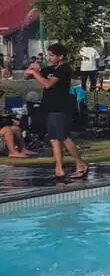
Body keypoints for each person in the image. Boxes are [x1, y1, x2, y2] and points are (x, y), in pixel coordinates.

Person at [25, 43, 86, 179]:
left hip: (61, 107)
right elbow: (26, 76)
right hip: (49, 107)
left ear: (60, 56)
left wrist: (34, 73)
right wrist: (31, 68)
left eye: (52, 56)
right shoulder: (50, 69)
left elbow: (48, 84)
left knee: (63, 136)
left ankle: (80, 163)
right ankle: (59, 168)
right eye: (49, 55)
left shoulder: (64, 69)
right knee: (53, 139)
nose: (50, 58)